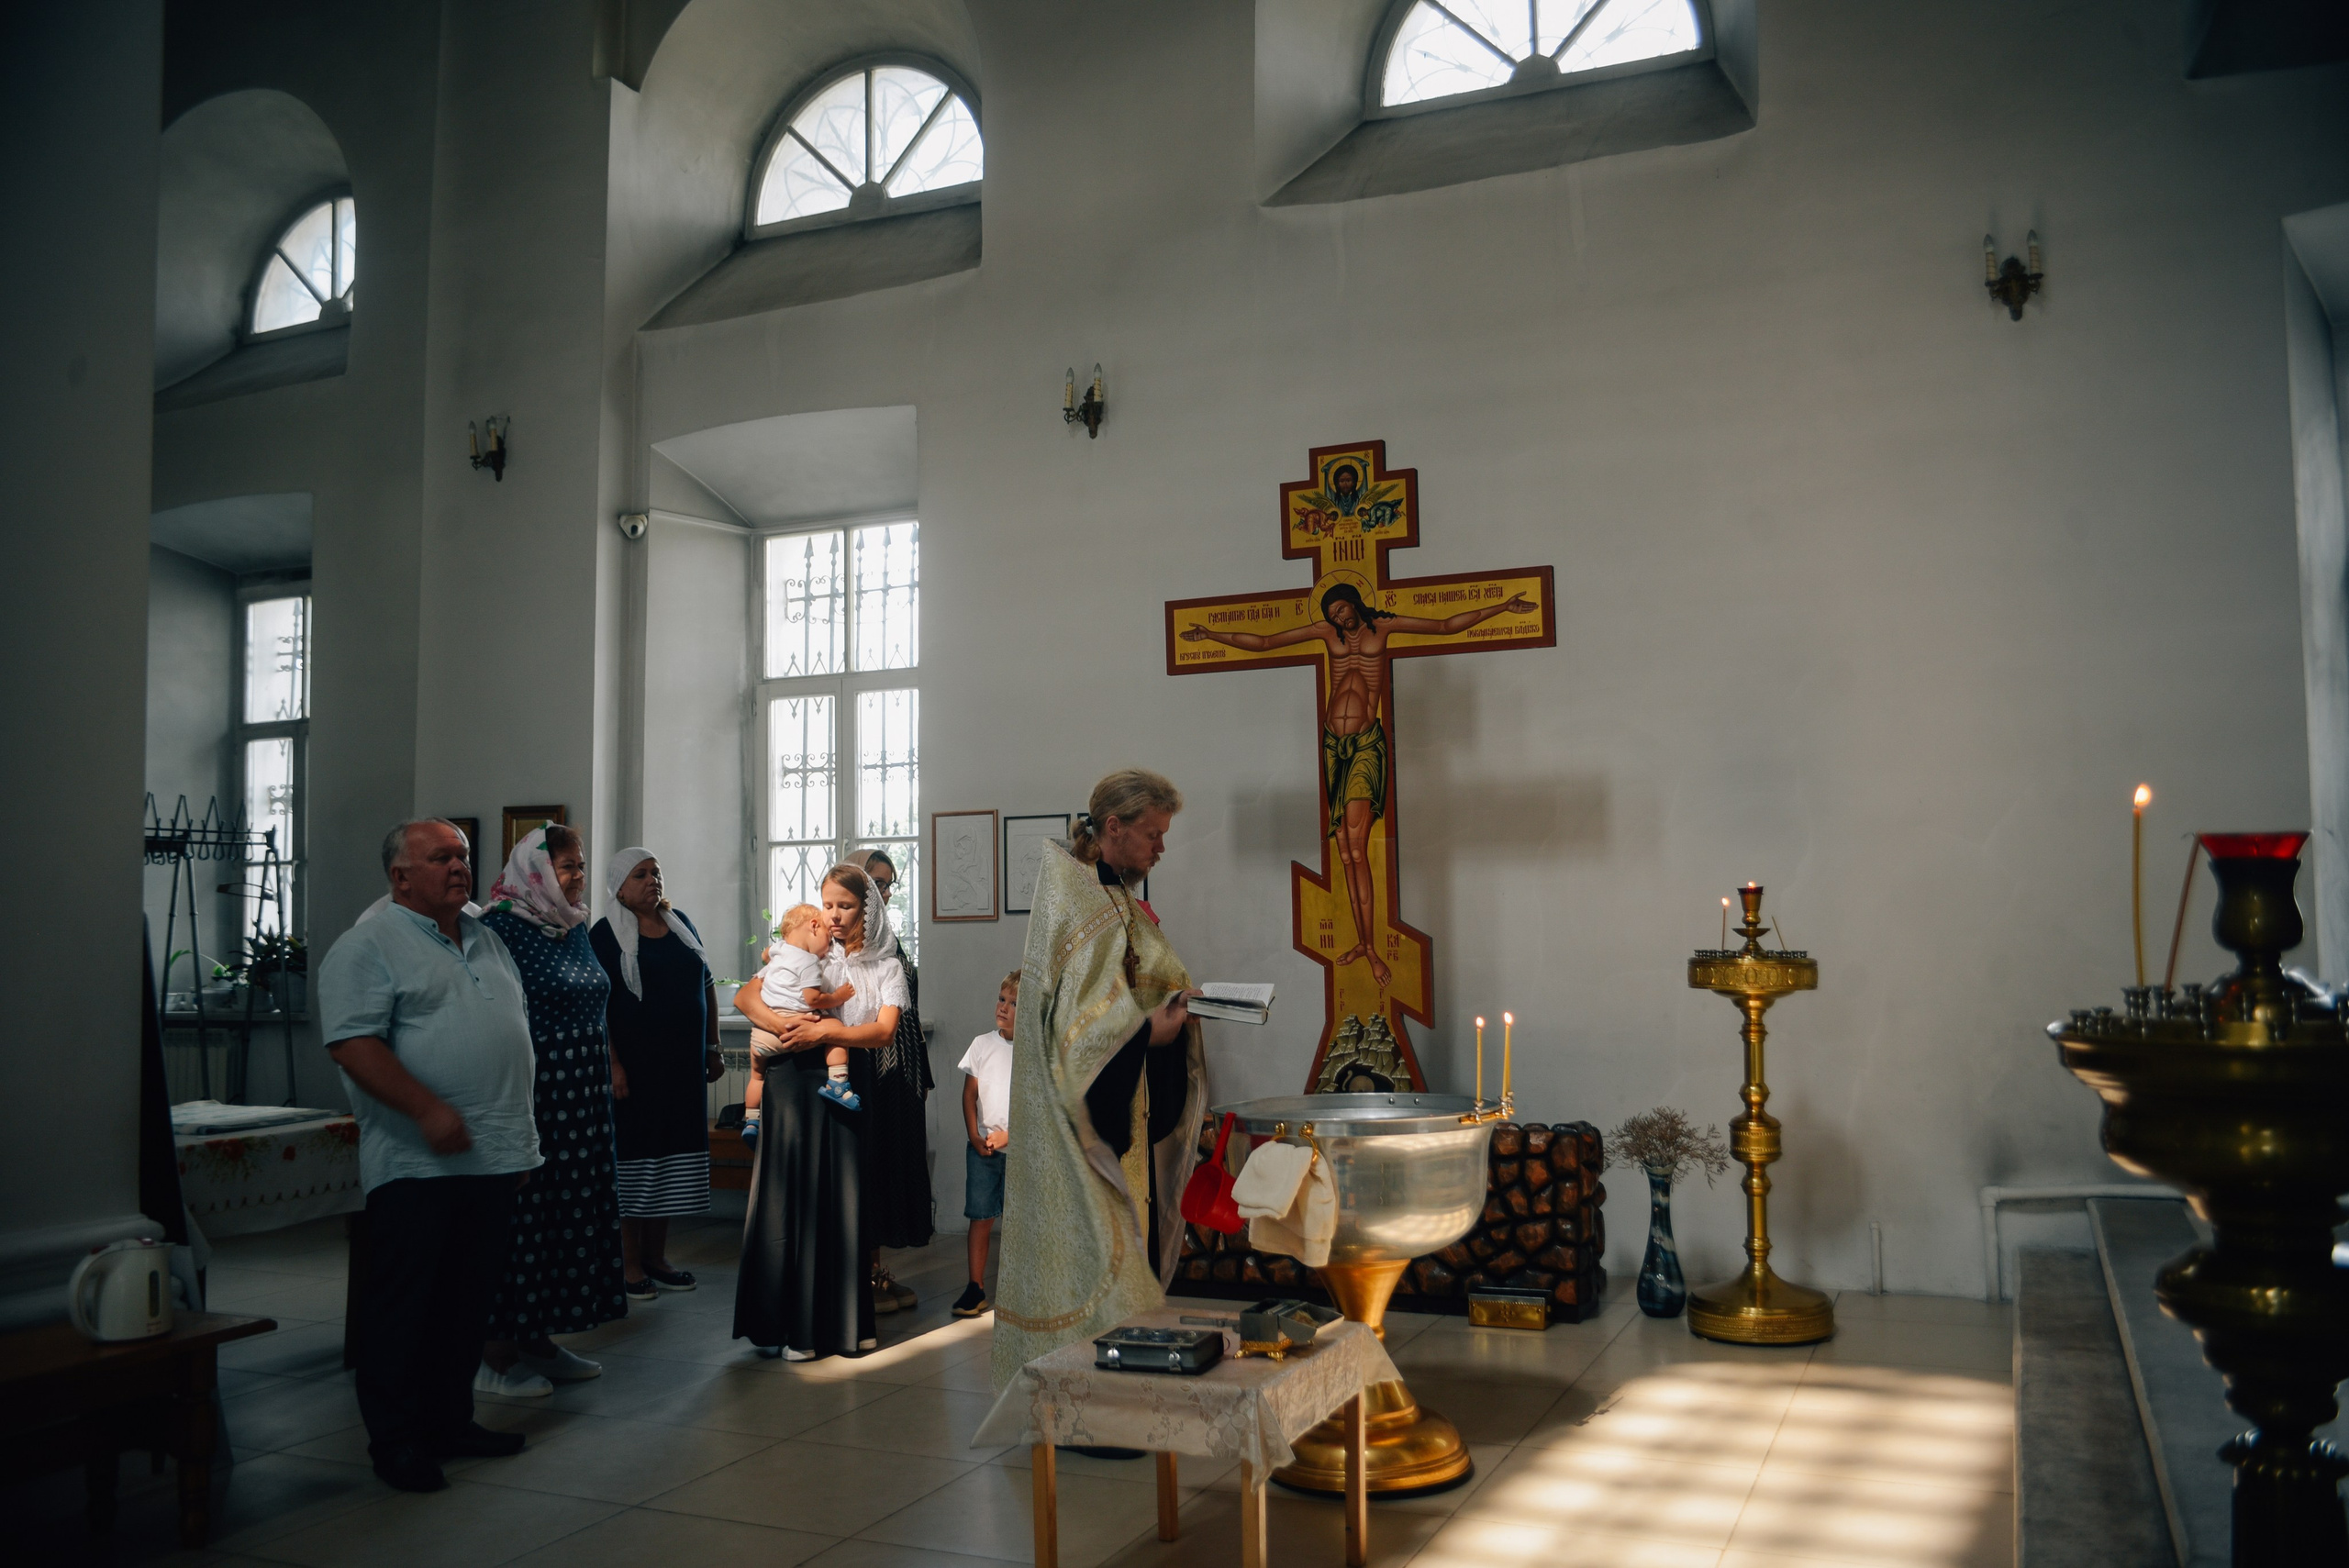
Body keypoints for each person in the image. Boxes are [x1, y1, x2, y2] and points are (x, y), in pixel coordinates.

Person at [318, 818, 540, 1493]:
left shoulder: (487, 937)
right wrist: (425, 1109)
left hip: (492, 1156)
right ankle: (396, 1440)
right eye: (441, 857)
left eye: (462, 855)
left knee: (465, 1303)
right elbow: (353, 1043)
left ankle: (450, 1422)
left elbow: (512, 1035)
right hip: (417, 1162)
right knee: (405, 1306)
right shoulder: (368, 944)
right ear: (400, 876)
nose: (458, 866)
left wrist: (519, 1140)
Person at [1181, 582, 1532, 987]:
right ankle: (1363, 943)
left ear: (1354, 603)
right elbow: (1264, 642)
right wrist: (1211, 634)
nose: (1339, 618)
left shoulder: (1384, 628)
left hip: (1365, 746)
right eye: (1332, 614)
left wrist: (1502, 607)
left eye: (1343, 609)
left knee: (1357, 847)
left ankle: (1371, 947)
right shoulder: (1326, 633)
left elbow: (1445, 626)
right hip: (1334, 746)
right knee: (1345, 852)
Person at [991, 769, 1207, 1393]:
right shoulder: (1080, 901)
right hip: (1083, 1125)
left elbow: (1120, 994)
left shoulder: (1112, 897)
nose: (1161, 847)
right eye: (1153, 834)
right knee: (1091, 1267)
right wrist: (1148, 1033)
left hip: (1127, 1105)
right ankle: (1088, 1398)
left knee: (1125, 1263)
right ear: (1114, 827)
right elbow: (1072, 1030)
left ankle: (1122, 1391)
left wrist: (1167, 1010)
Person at [473, 826, 626, 1395]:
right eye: (567, 866)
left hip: (582, 1103)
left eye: (581, 865)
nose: (578, 876)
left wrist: (609, 1065)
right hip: (534, 1097)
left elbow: (596, 1005)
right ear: (535, 870)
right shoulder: (498, 930)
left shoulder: (572, 925)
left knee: (568, 1215)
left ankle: (537, 1340)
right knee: (525, 1220)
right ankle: (493, 1353)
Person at [732, 864, 907, 1360]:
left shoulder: (887, 967)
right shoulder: (804, 950)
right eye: (827, 904)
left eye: (845, 906)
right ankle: (785, 1327)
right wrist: (788, 1029)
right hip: (791, 1080)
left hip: (845, 1082)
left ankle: (841, 1327)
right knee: (788, 1198)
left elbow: (884, 1032)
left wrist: (825, 1032)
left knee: (841, 1200)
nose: (833, 915)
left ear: (867, 910)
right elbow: (746, 996)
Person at [590, 847, 724, 1301]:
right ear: (619, 887)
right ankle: (628, 1263)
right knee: (636, 1162)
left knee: (668, 1161)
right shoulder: (605, 934)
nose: (653, 880)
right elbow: (598, 1005)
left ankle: (656, 1257)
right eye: (641, 874)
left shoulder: (680, 923)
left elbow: (706, 984)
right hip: (635, 1071)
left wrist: (713, 1046)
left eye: (656, 872)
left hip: (681, 1068)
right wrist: (612, 1064)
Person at [851, 848, 934, 1312]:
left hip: (901, 1069)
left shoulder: (885, 937)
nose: (884, 892)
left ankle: (875, 1272)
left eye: (888, 884)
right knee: (869, 1167)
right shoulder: (843, 938)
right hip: (866, 1069)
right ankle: (857, 1279)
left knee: (892, 1168)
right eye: (876, 882)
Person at [952, 971, 1019, 1318]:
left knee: (1020, 1221)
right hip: (983, 1151)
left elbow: (1038, 1105)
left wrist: (1011, 1136)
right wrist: (974, 1136)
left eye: (1014, 1003)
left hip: (1020, 1152)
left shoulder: (1034, 1053)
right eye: (1001, 999)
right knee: (980, 1217)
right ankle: (974, 1287)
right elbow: (969, 1095)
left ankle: (1021, 1287)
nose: (1003, 1007)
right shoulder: (981, 1045)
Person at [759, 904, 860, 1108]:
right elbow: (813, 999)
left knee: (756, 1077)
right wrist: (838, 997)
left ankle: (752, 1116)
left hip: (763, 1030)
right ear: (814, 926)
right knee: (837, 1030)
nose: (828, 949)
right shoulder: (808, 961)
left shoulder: (780, 949)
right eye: (828, 940)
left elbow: (765, 955)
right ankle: (838, 1084)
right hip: (794, 1020)